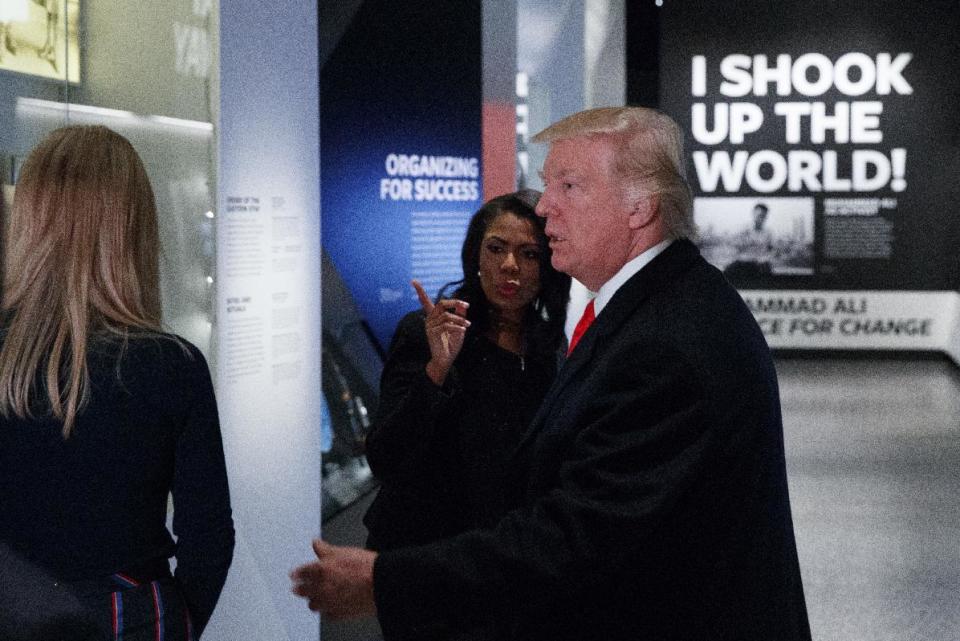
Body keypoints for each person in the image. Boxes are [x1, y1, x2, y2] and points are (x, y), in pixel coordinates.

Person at [292, 106, 811, 641]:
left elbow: (579, 537)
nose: (545, 207)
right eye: (547, 185)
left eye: (568, 185)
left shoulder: (663, 341)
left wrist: (384, 579)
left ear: (639, 208)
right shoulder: (659, 308)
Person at [0, 125, 234, 640]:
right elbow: (209, 539)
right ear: (133, 228)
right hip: (130, 614)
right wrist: (172, 621)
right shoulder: (172, 366)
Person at [363, 190, 569, 556]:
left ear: (548, 265)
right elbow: (385, 458)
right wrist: (437, 370)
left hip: (501, 559)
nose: (509, 265)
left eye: (529, 254)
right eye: (495, 249)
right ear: (475, 255)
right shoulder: (428, 331)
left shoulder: (547, 345)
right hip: (424, 557)